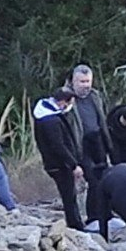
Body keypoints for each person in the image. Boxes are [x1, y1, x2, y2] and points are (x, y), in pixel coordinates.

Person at [66, 64, 113, 224]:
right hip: (80, 145)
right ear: (73, 81)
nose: (86, 85)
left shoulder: (95, 96)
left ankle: (107, 215)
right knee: (93, 181)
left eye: (88, 81)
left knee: (105, 178)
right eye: (82, 82)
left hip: (98, 140)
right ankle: (93, 217)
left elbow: (102, 117)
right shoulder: (66, 98)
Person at [33, 87, 84, 230]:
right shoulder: (51, 121)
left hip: (56, 163)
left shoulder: (46, 113)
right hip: (59, 164)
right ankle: (75, 226)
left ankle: (76, 223)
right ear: (63, 102)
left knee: (70, 194)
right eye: (69, 103)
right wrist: (73, 165)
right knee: (69, 196)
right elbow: (58, 146)